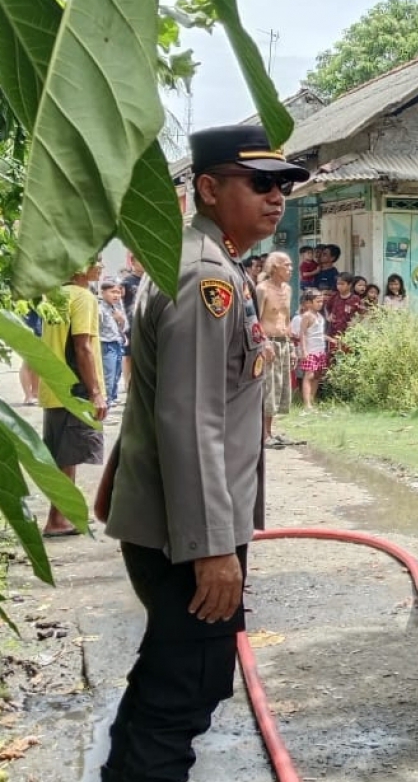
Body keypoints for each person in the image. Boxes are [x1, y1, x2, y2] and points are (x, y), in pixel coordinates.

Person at [97, 123, 309, 782]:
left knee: (174, 676)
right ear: (209, 188)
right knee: (186, 683)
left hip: (179, 524)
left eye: (284, 184)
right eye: (261, 182)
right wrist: (214, 547)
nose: (277, 197)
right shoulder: (205, 278)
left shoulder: (200, 263)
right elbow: (189, 418)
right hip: (186, 534)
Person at [39, 259, 107, 537]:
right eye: (95, 261)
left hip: (53, 386)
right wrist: (95, 392)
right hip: (74, 389)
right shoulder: (83, 297)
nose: (100, 266)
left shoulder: (54, 295)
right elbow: (83, 347)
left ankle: (64, 515)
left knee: (63, 456)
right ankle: (57, 519)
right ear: (79, 267)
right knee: (69, 456)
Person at [257, 251, 294, 448]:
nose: (290, 269)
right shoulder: (262, 289)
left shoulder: (287, 289)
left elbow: (286, 318)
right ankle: (262, 434)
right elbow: (255, 319)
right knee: (268, 388)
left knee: (280, 388)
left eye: (290, 265)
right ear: (274, 267)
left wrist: (292, 346)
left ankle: (270, 431)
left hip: (283, 342)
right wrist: (264, 342)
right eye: (286, 265)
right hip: (268, 342)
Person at [294, 289, 327, 410]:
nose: (320, 304)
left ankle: (312, 400)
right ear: (308, 303)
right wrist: (304, 351)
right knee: (309, 375)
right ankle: (306, 404)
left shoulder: (320, 316)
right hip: (310, 351)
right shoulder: (307, 316)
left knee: (317, 375)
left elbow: (319, 333)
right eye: (318, 301)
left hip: (320, 350)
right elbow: (302, 334)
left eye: (322, 301)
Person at [98, 279, 128, 409]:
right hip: (106, 344)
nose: (116, 295)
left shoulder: (117, 307)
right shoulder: (99, 308)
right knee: (108, 376)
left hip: (117, 343)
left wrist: (120, 320)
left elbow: (123, 325)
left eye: (118, 292)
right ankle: (106, 403)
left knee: (116, 373)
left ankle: (113, 398)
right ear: (103, 292)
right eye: (112, 292)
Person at [324, 271, 365, 351]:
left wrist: (355, 322)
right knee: (333, 357)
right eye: (338, 284)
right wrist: (328, 316)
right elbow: (326, 307)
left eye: (342, 284)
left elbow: (362, 313)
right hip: (333, 333)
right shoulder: (334, 296)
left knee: (346, 357)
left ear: (349, 285)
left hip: (348, 335)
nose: (339, 286)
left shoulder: (355, 299)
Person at [120, 256, 144, 392]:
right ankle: (127, 384)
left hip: (146, 321)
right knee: (129, 355)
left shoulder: (150, 280)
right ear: (133, 262)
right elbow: (117, 299)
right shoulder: (127, 282)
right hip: (131, 322)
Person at [19, 307, 43, 405]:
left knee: (37, 363)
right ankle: (28, 396)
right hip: (29, 326)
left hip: (38, 325)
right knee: (27, 362)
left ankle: (35, 393)